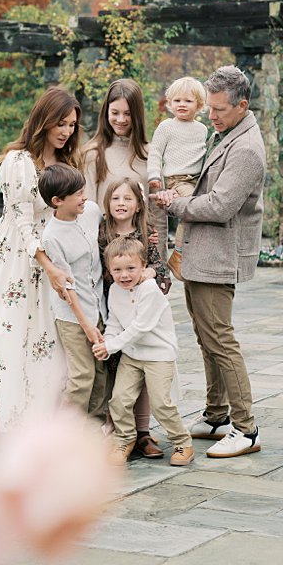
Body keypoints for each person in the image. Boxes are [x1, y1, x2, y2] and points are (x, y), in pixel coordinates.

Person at [155, 65, 266, 458]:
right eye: (211, 107)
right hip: (202, 253)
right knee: (206, 339)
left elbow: (220, 206)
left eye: (219, 109)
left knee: (220, 340)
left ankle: (246, 428)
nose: (211, 115)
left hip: (219, 256)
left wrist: (175, 203)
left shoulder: (247, 148)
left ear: (242, 105)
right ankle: (217, 415)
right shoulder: (226, 135)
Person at [0, 87, 83, 430]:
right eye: (61, 123)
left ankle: (45, 418)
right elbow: (23, 219)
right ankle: (16, 423)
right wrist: (47, 264)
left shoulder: (67, 161)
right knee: (14, 332)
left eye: (71, 125)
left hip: (52, 252)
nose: (66, 131)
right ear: (44, 120)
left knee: (49, 337)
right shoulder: (18, 161)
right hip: (18, 257)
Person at [93, 237, 194, 468]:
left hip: (158, 355)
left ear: (143, 266)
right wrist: (106, 344)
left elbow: (141, 327)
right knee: (119, 400)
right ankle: (125, 439)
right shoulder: (116, 292)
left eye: (131, 268)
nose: (124, 275)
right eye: (117, 270)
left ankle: (182, 441)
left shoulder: (150, 289)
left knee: (160, 403)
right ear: (109, 271)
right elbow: (114, 323)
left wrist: (110, 346)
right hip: (132, 355)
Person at [98, 177, 169, 457]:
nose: (121, 204)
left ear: (139, 205)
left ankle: (143, 433)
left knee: (142, 372)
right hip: (110, 309)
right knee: (116, 373)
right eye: (116, 198)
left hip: (139, 313)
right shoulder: (100, 233)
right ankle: (117, 431)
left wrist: (150, 272)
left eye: (128, 199)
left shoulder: (146, 232)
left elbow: (161, 272)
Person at [38, 163, 109, 420]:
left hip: (98, 306)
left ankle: (95, 433)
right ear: (57, 201)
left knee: (101, 373)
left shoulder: (90, 212)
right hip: (73, 316)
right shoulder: (52, 237)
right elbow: (66, 290)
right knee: (82, 377)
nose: (85, 197)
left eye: (83, 190)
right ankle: (63, 439)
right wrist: (88, 326)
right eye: (78, 194)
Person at [147, 76, 208, 279]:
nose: (182, 105)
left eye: (188, 101)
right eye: (177, 100)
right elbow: (155, 152)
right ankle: (178, 255)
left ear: (199, 105)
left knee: (206, 211)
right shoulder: (166, 127)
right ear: (170, 104)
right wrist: (154, 177)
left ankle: (186, 253)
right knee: (194, 210)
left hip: (197, 180)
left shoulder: (202, 130)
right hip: (177, 180)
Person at [81, 79, 150, 210]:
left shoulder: (150, 153)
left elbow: (157, 210)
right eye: (115, 113)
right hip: (105, 230)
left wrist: (160, 231)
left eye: (128, 114)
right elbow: (88, 211)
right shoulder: (92, 154)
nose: (121, 120)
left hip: (144, 230)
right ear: (106, 112)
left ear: (137, 115)